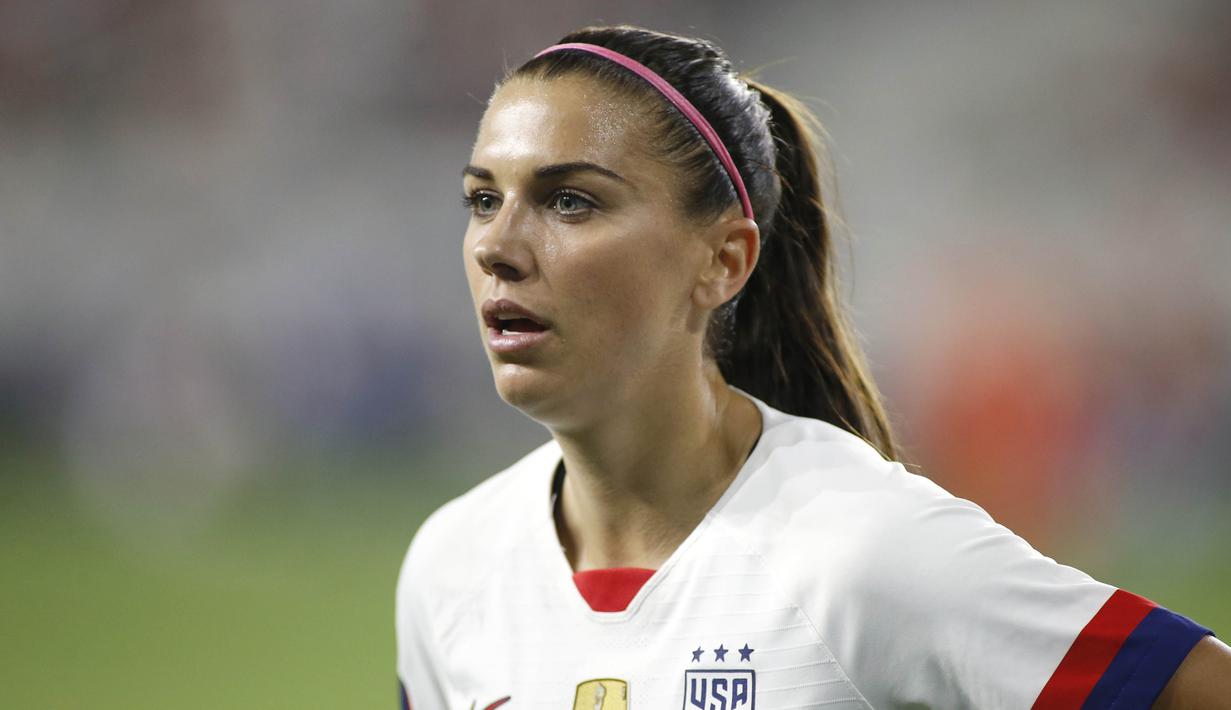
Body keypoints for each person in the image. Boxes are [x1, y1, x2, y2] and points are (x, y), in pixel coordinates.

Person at [395, 24, 1230, 709]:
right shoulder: (453, 564)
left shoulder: (862, 554)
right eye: (482, 199)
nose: (497, 247)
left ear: (723, 260)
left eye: (570, 200)